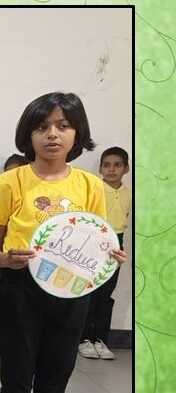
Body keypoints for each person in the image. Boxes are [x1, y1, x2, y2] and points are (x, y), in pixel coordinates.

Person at [0, 92, 127, 392]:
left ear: (77, 133)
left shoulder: (90, 185)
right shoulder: (9, 182)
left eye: (63, 126)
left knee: (56, 379)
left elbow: (97, 242)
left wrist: (110, 257)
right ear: (28, 134)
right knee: (15, 380)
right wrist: (6, 259)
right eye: (41, 127)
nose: (52, 134)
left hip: (71, 291)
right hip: (18, 290)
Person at [79, 146, 131, 360]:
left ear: (126, 169)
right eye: (107, 165)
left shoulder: (128, 193)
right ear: (100, 168)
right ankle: (84, 339)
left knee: (106, 294)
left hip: (117, 243)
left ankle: (101, 339)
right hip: (95, 242)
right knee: (89, 292)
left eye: (117, 165)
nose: (111, 170)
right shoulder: (95, 189)